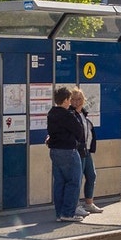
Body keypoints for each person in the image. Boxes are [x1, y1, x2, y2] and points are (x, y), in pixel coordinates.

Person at [45, 86, 85, 221]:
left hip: (55, 151)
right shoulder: (67, 115)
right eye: (69, 99)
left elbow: (52, 133)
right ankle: (68, 213)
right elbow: (79, 132)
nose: (70, 102)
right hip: (68, 151)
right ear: (66, 100)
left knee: (59, 183)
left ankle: (59, 213)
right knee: (74, 182)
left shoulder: (51, 113)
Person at [69, 88, 101, 215]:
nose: (77, 102)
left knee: (91, 175)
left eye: (80, 99)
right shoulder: (71, 114)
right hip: (77, 150)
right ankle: (75, 205)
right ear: (70, 101)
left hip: (86, 150)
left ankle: (89, 203)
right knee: (77, 178)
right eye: (74, 99)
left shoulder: (83, 114)